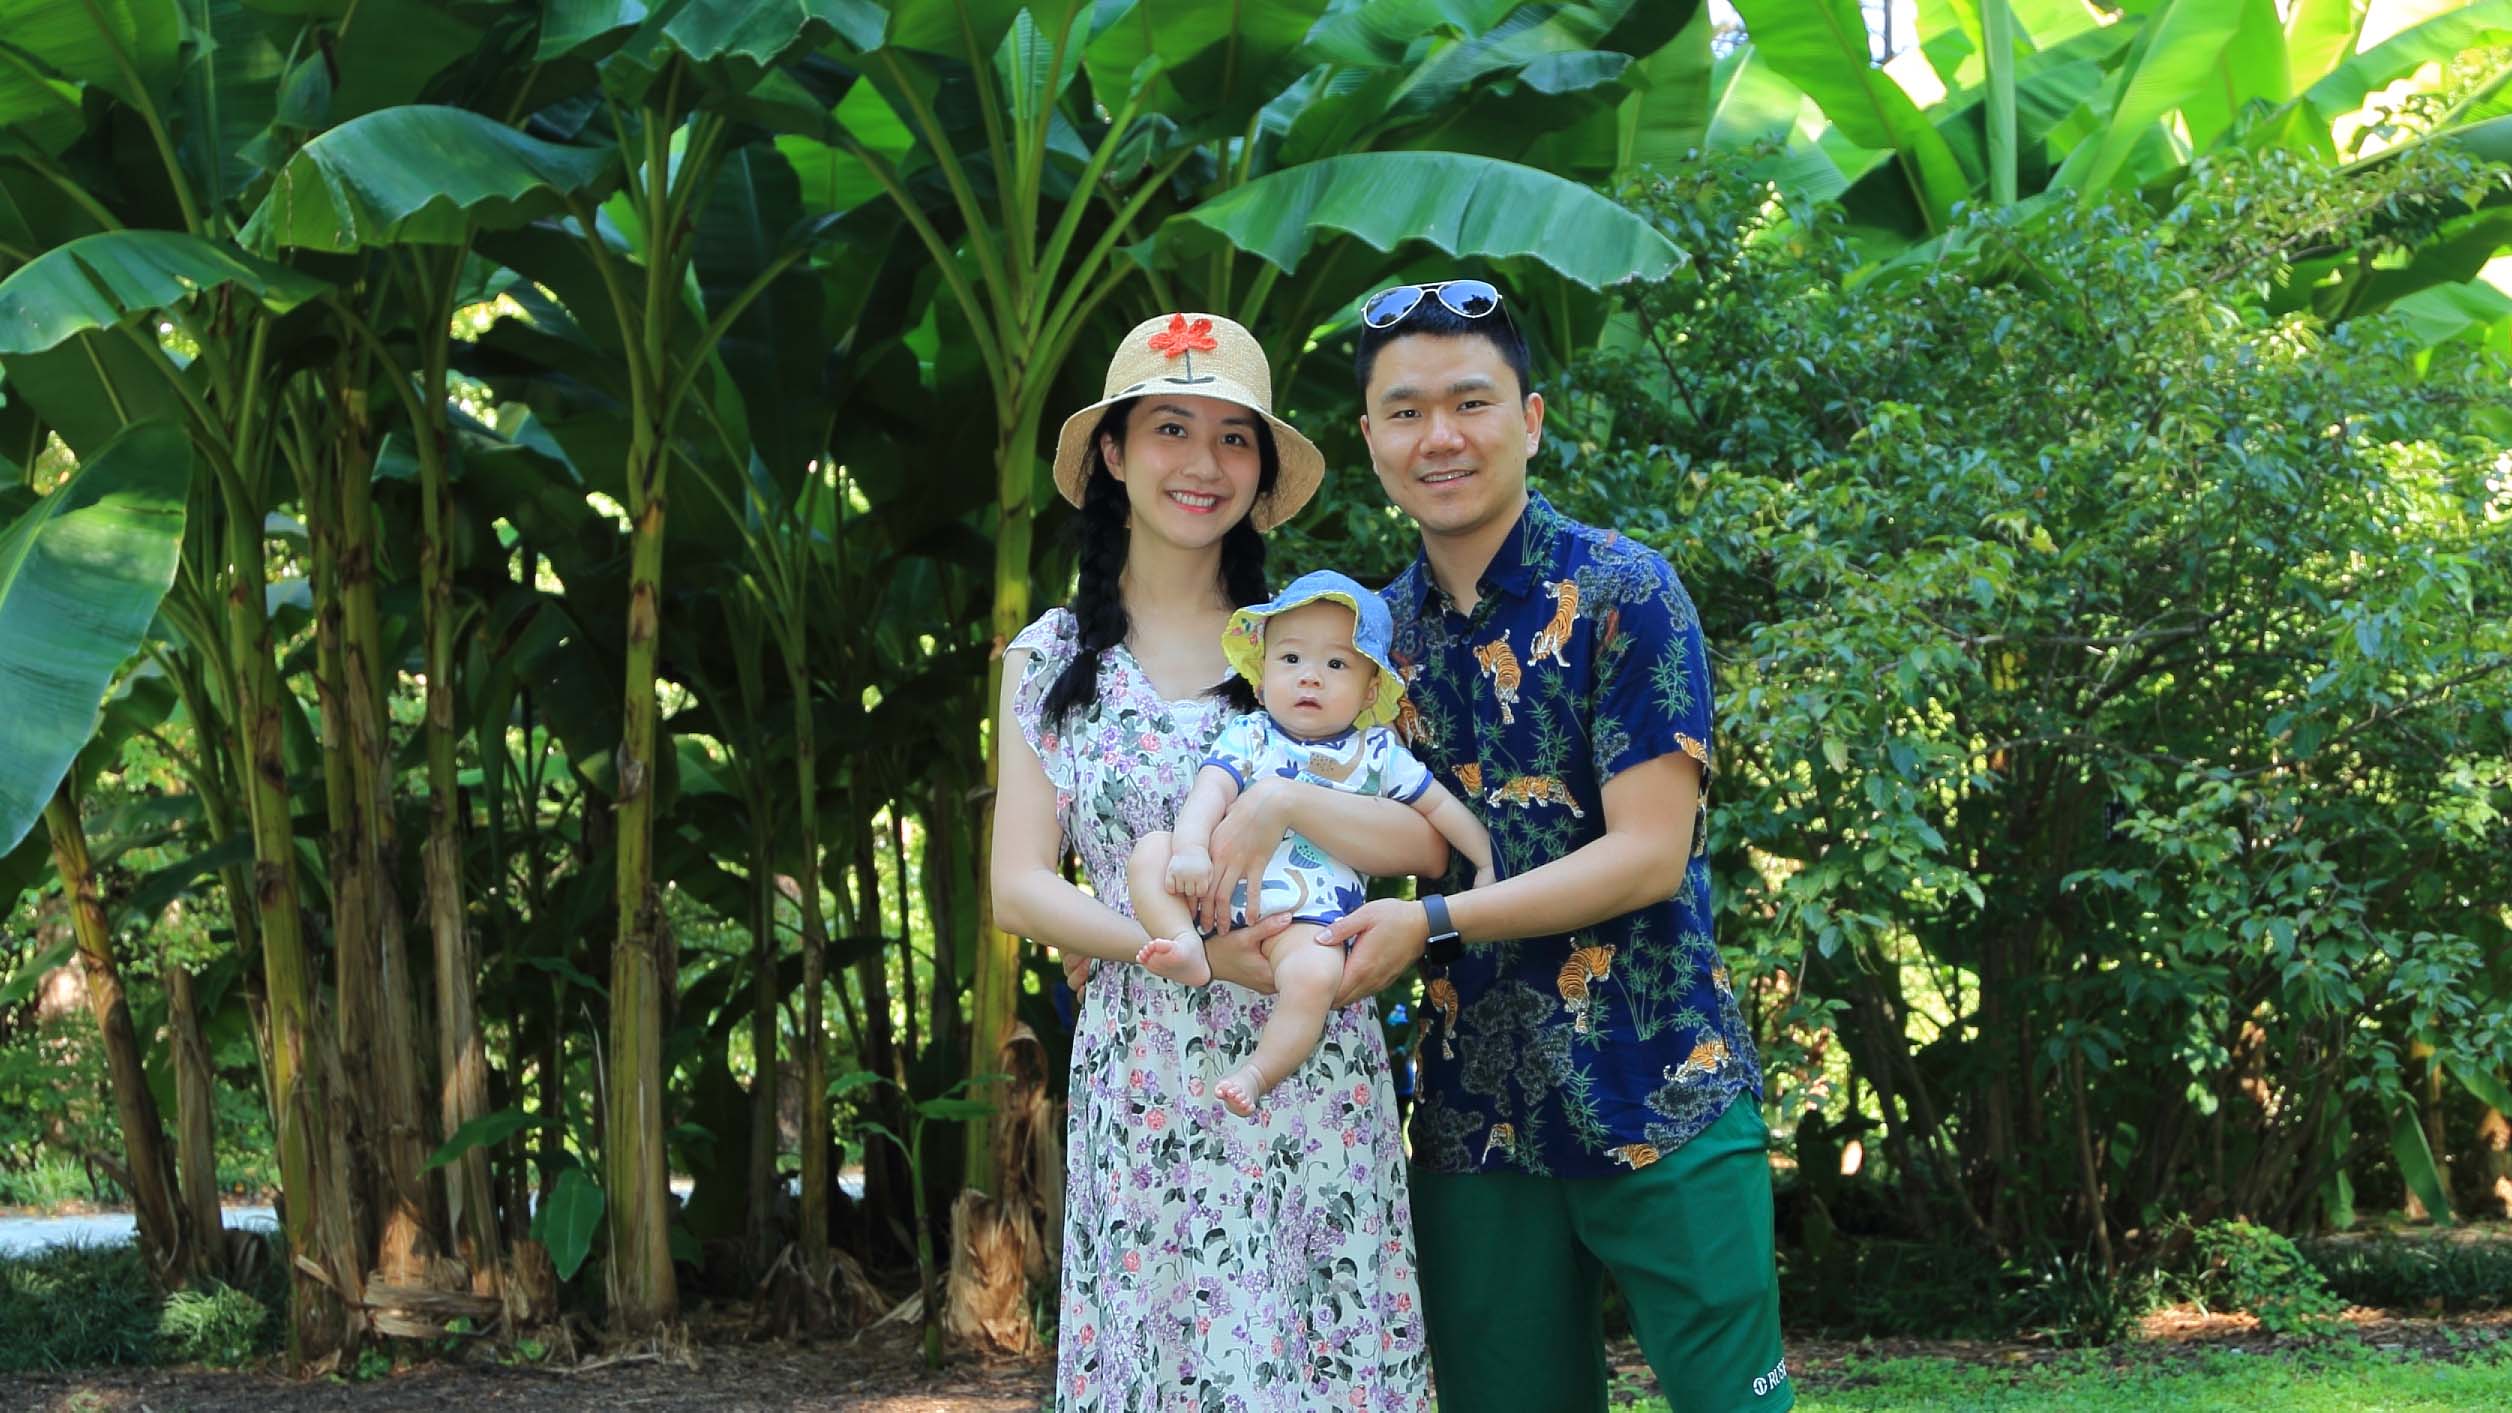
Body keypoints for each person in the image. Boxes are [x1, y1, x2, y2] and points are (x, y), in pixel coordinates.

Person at [1320, 280, 1793, 1411]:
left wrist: (1433, 922)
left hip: (1659, 1089)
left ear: (1529, 419)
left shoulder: (1627, 592)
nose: (1439, 436)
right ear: (1371, 442)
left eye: (1470, 402)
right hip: (1474, 1125)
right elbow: (1375, 829)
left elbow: (1645, 853)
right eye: (1404, 411)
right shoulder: (1367, 645)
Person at [991, 313, 1438, 1412]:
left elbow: (1424, 840)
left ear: (1263, 469)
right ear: (1112, 454)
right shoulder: (1050, 659)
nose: (1203, 465)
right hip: (1145, 1075)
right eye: (1170, 429)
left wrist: (1288, 800)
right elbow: (1018, 884)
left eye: (1234, 439)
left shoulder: (1312, 642)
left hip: (1309, 1058)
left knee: (1319, 1360)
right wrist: (1174, 950)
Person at [1129, 570, 1495, 1116]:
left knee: (1314, 977)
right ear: (1259, 678)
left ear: (1371, 689)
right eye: (1291, 659)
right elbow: (1208, 792)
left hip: (1309, 922)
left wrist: (1486, 860)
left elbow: (1439, 808)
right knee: (1149, 852)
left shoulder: (1376, 755)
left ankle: (1257, 1073)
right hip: (1215, 897)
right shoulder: (1250, 735)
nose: (1311, 679)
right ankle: (1185, 944)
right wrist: (1189, 848)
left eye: (1336, 664)